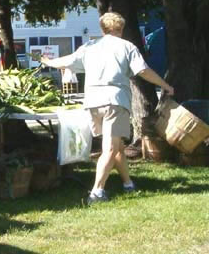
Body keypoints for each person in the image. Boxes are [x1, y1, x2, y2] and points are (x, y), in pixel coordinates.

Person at [42, 12, 174, 204]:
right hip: (115, 101)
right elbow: (143, 71)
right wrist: (165, 86)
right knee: (110, 148)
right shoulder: (127, 46)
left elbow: (67, 61)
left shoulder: (89, 46)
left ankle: (128, 184)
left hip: (93, 102)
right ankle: (96, 192)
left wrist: (47, 62)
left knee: (117, 146)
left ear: (103, 29)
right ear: (121, 28)